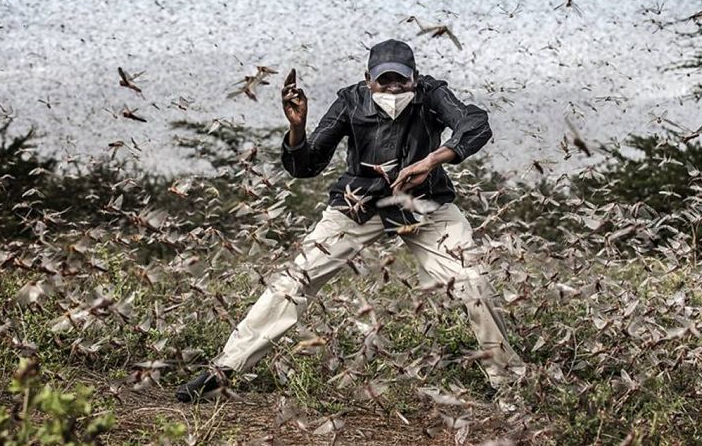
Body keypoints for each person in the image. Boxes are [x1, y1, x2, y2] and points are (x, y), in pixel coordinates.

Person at [176, 39, 525, 402]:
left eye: (400, 81)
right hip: (359, 204)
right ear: (367, 80)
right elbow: (306, 166)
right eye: (383, 81)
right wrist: (297, 129)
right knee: (295, 280)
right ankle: (224, 371)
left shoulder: (432, 94)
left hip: (426, 202)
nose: (392, 88)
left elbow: (475, 123)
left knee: (472, 280)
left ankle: (510, 385)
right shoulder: (349, 101)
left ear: (415, 78)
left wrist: (431, 161)